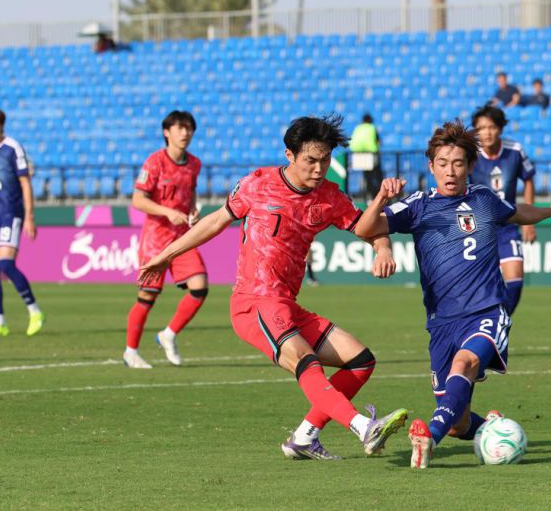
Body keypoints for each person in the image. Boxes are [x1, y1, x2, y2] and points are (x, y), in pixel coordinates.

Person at [139, 114, 408, 460]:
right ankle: (362, 427)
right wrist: (165, 255)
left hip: (287, 305)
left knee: (360, 360)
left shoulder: (329, 196)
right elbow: (216, 221)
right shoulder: (258, 183)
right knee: (304, 359)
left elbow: (370, 228)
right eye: (311, 160)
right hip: (254, 301)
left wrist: (383, 248)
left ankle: (304, 437)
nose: (319, 168)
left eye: (326, 160)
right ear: (289, 155)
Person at [354, 120, 551, 468]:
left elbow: (518, 212)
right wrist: (381, 198)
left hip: (487, 309)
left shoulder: (484, 198)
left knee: (465, 363)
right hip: (442, 321)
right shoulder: (418, 206)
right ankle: (492, 428)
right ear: (431, 167)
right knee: (459, 422)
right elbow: (364, 228)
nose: (450, 171)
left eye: (458, 163)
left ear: (470, 166)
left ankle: (428, 439)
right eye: (443, 163)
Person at [123, 111, 207, 369]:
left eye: (189, 128)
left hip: (182, 239)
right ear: (166, 132)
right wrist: (167, 211)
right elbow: (138, 200)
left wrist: (192, 210)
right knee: (147, 296)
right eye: (180, 128)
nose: (185, 133)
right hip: (156, 240)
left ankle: (168, 334)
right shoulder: (155, 162)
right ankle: (131, 352)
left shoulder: (194, 164)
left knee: (200, 287)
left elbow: (190, 191)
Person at [469, 106, 536, 315]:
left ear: (500, 128)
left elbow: (528, 180)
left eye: (491, 127)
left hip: (508, 225)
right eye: (481, 128)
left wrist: (529, 222)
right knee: (477, 287)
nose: (487, 132)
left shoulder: (514, 150)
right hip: (479, 229)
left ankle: (500, 324)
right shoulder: (470, 154)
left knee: (515, 281)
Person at [0, 107, 44, 337]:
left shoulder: (12, 148)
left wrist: (30, 217)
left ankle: (34, 311)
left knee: (6, 265)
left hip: (10, 212)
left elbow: (25, 183)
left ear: (0, 125)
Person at [349, 113, 381, 200]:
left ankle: (368, 196)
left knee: (366, 175)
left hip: (358, 154)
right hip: (370, 153)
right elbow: (378, 142)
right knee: (374, 175)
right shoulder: (372, 127)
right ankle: (374, 196)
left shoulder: (358, 128)